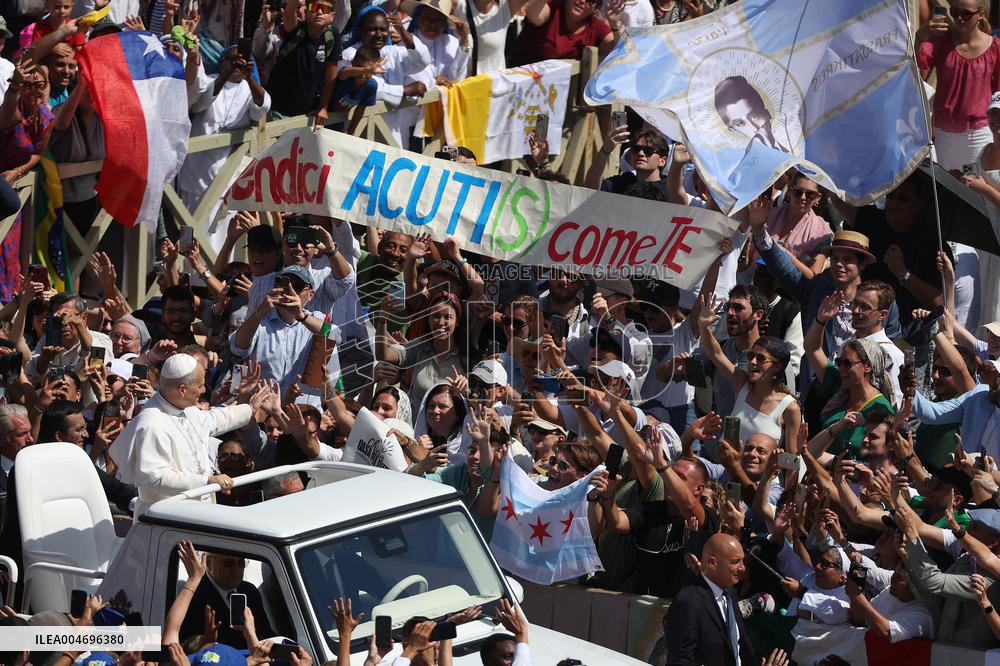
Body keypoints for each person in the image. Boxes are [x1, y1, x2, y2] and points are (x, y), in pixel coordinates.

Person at [109, 353, 271, 518]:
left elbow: (216, 419)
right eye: (200, 385)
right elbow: (154, 478)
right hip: (166, 518)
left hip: (196, 513)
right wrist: (206, 481)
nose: (204, 390)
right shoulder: (151, 424)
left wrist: (250, 408)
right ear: (182, 389)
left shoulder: (185, 409)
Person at [697, 295, 801, 452]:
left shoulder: (790, 408)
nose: (752, 362)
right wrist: (703, 327)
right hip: (725, 466)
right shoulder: (742, 384)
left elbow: (791, 457)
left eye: (760, 359)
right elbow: (716, 353)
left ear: (777, 367)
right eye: (751, 356)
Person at [916, 0, 1000, 170]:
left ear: (980, 15)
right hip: (944, 134)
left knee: (971, 183)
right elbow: (914, 62)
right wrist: (920, 35)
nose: (959, 18)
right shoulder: (941, 41)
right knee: (946, 184)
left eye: (966, 14)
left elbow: (998, 92)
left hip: (978, 134)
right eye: (955, 12)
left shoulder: (996, 47)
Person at [663, 532, 758, 666]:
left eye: (743, 561)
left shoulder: (730, 594)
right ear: (712, 562)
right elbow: (679, 661)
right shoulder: (688, 602)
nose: (742, 568)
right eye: (735, 562)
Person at [178, 550, 275, 650]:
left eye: (241, 563)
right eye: (229, 563)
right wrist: (205, 641)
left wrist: (253, 633)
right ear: (209, 563)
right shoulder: (193, 595)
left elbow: (266, 632)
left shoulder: (250, 591)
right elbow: (184, 644)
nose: (236, 569)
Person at [510, 0, 619, 66]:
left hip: (560, 94)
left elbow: (616, 53)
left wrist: (614, 25)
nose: (582, 1)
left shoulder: (597, 27)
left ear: (596, 8)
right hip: (521, 84)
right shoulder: (552, 8)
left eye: (590, 0)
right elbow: (534, 14)